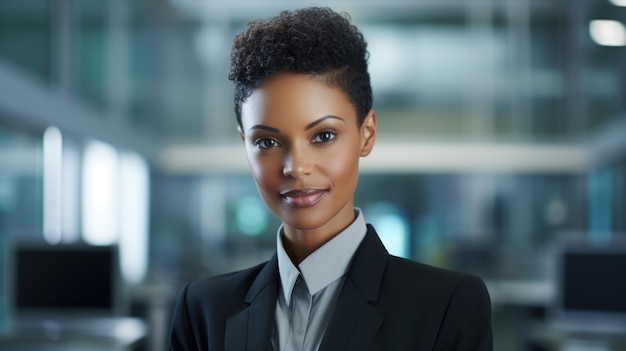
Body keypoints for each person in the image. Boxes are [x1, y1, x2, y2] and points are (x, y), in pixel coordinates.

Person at [169, 7, 492, 351]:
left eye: (323, 136)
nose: (296, 167)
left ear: (366, 134)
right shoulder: (203, 311)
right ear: (244, 144)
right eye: (267, 142)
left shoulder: (446, 306)